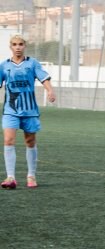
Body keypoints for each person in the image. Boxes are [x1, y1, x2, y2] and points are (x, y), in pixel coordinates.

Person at [0, 34, 56, 189]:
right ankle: (10, 177)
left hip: (29, 110)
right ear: (10, 47)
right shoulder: (4, 65)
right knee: (8, 140)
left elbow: (44, 78)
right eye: (15, 44)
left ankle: (31, 175)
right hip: (10, 110)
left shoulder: (32, 64)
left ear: (25, 46)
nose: (18, 47)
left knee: (30, 141)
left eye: (20, 44)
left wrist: (50, 91)